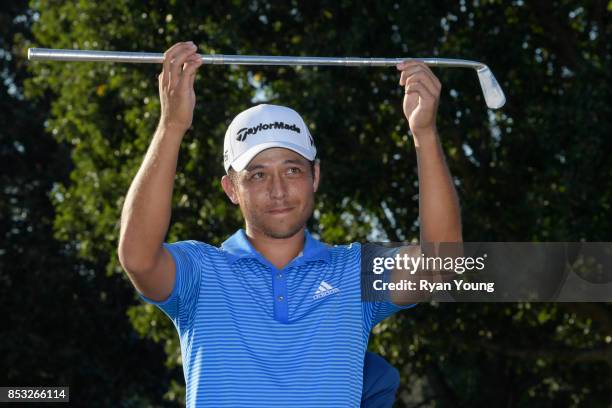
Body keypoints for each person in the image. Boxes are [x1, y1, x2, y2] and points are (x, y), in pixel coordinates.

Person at [118, 41, 462, 407]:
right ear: (231, 189)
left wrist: (424, 133)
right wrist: (171, 126)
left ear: (315, 177)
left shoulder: (353, 272)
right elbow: (138, 258)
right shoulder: (201, 272)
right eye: (257, 175)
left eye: (292, 170)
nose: (278, 191)